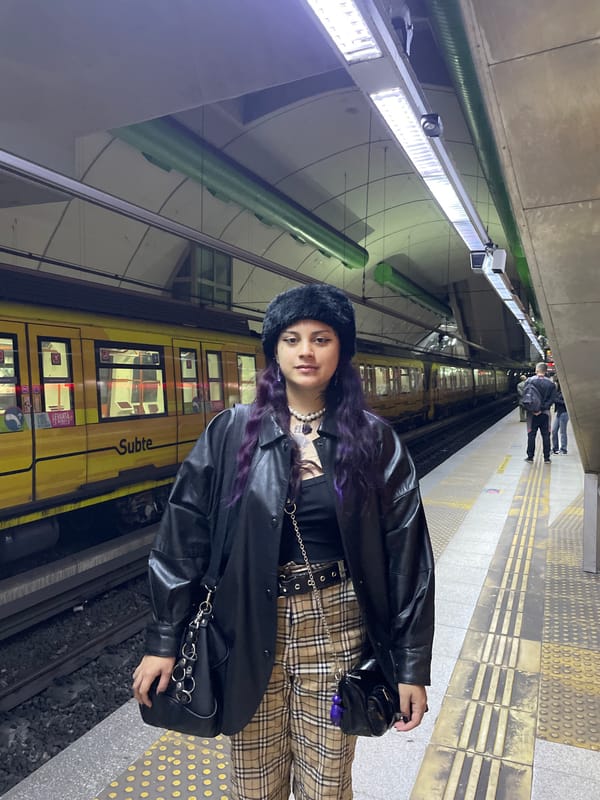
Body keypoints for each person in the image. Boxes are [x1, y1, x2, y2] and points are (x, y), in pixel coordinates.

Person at [132, 283, 435, 800]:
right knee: (254, 784)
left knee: (327, 784)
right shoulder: (231, 432)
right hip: (245, 624)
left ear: (342, 351)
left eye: (322, 338)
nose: (306, 351)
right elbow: (183, 534)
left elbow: (407, 555)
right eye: (292, 339)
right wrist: (164, 639)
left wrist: (410, 666)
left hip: (337, 629)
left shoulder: (374, 439)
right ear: (274, 351)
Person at [524, 362, 557, 464]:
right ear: (546, 371)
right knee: (546, 435)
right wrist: (542, 409)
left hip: (531, 414)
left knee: (531, 434)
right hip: (545, 413)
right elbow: (552, 400)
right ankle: (546, 458)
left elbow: (525, 397)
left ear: (536, 370)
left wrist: (534, 410)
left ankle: (530, 457)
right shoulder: (551, 384)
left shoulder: (529, 381)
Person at [551, 378, 569, 454]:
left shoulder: (566, 392)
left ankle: (563, 449)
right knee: (554, 430)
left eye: (556, 383)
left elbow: (567, 403)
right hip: (559, 413)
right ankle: (555, 448)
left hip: (564, 413)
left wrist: (555, 400)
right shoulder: (558, 391)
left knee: (562, 432)